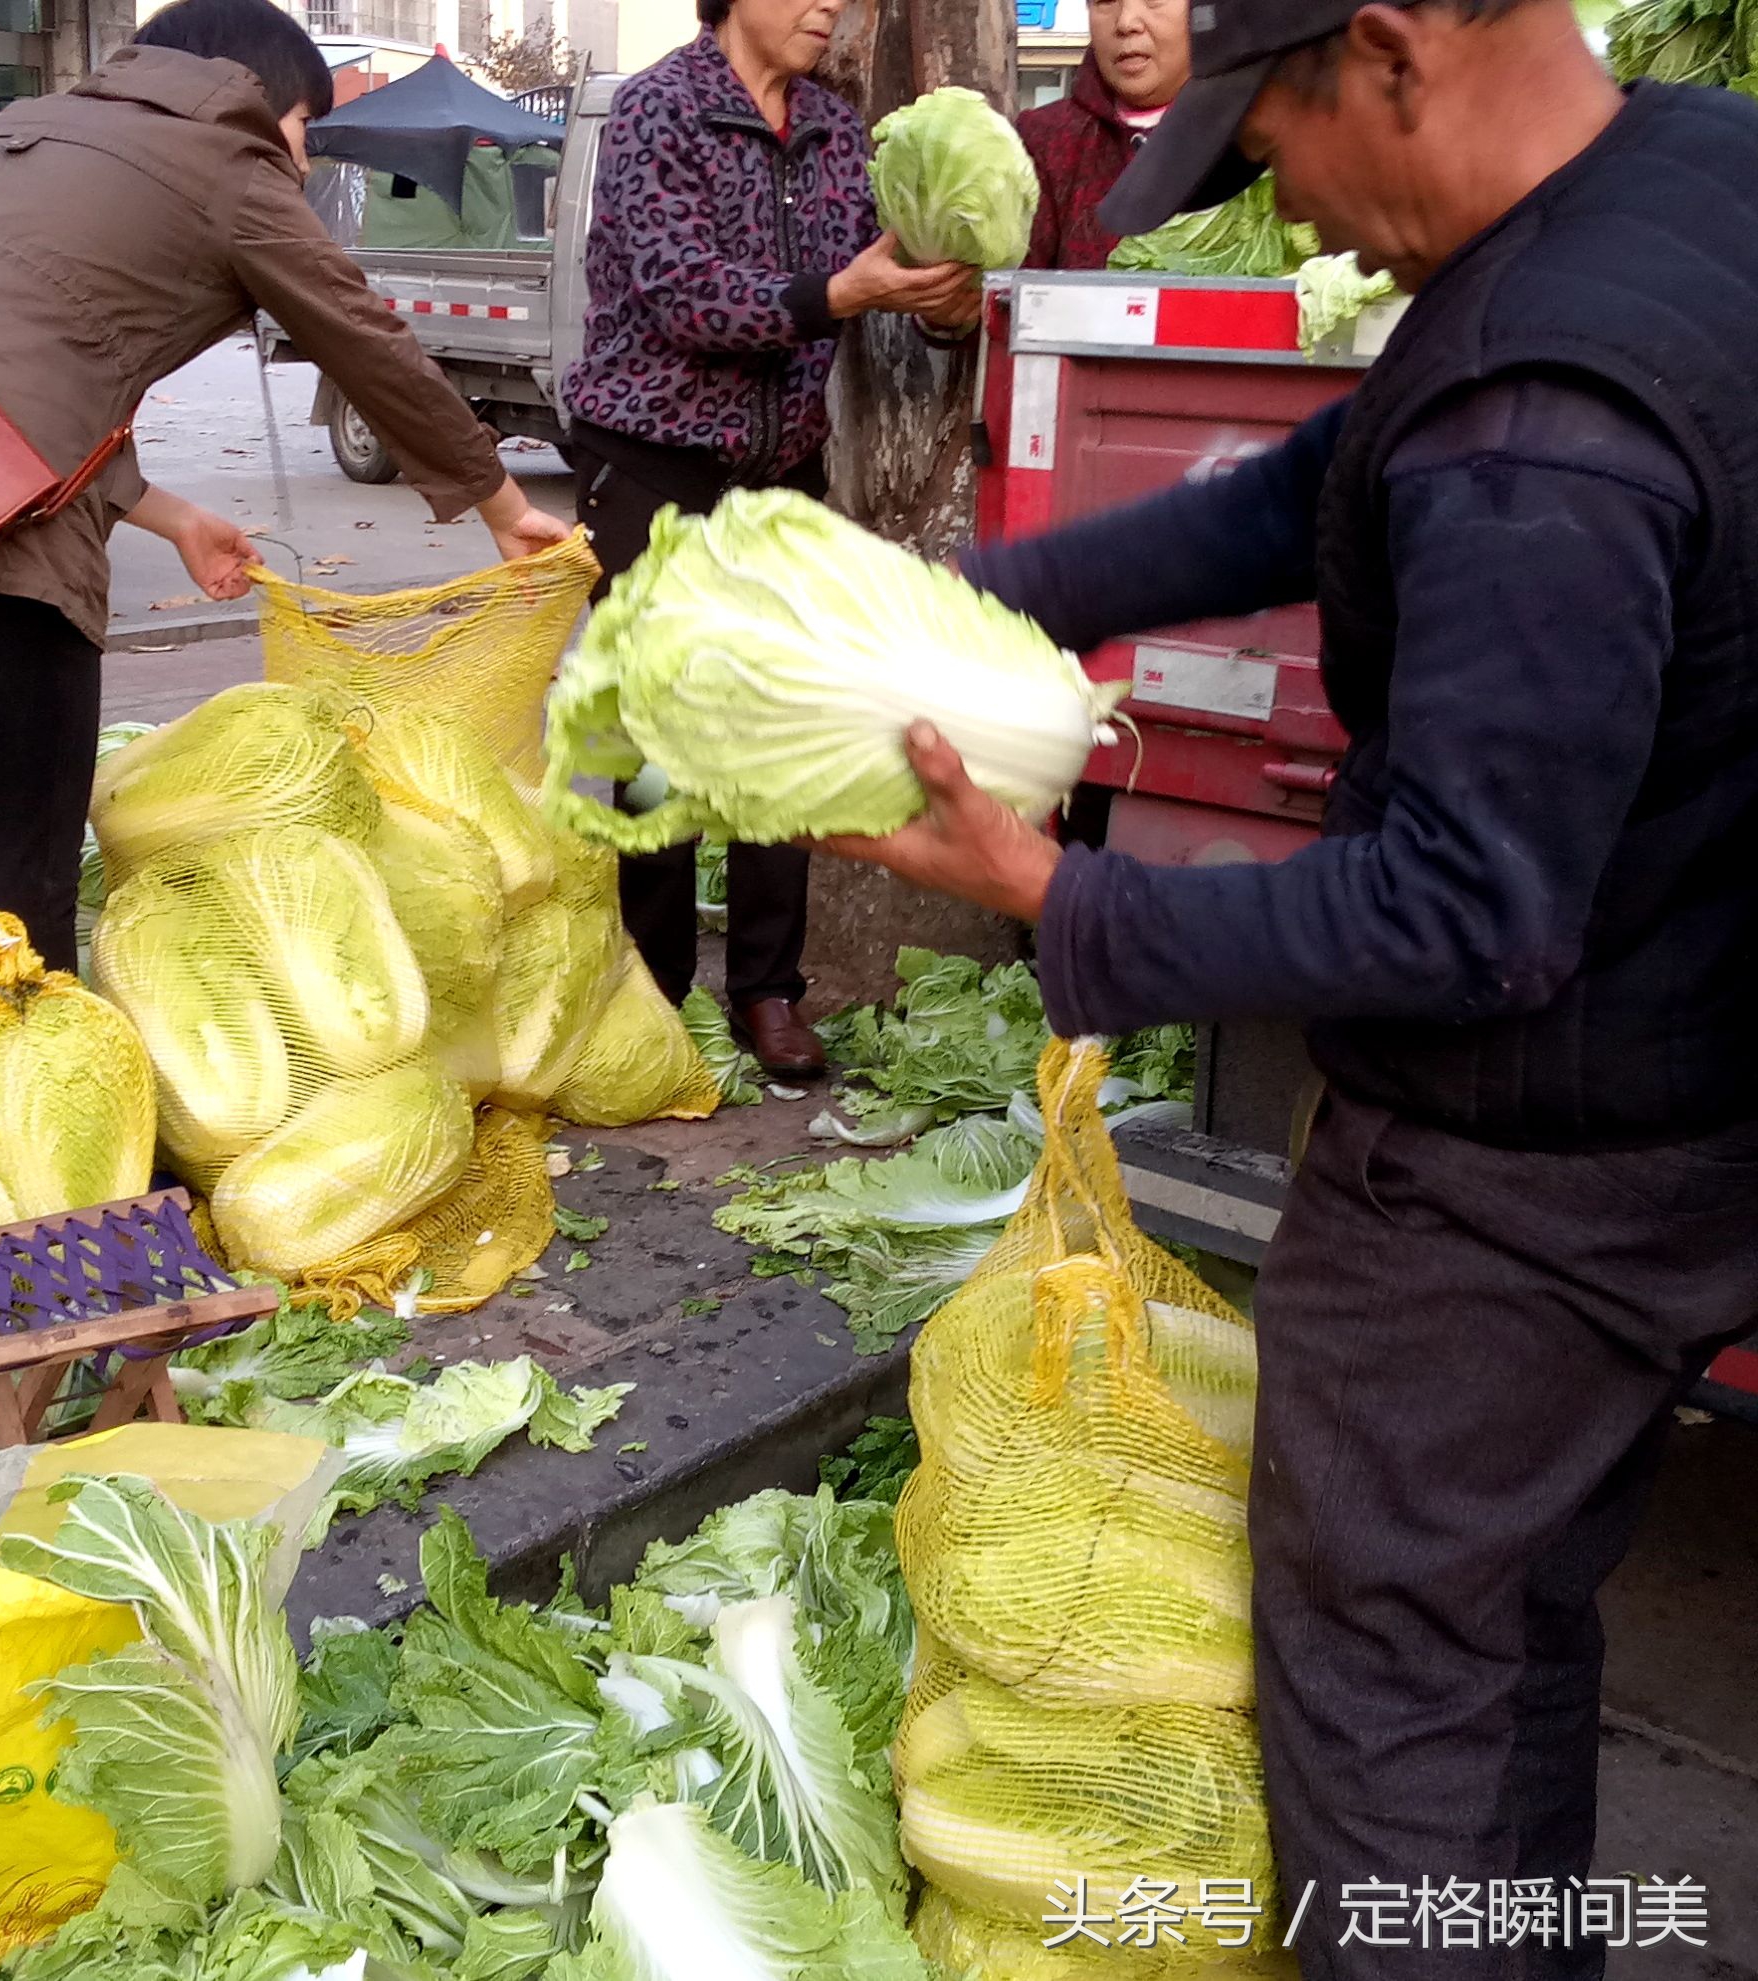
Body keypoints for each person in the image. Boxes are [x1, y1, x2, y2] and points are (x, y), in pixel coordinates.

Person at [822, 2, 1758, 1973]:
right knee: (1504, 1627)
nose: (1303, 226)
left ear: (1396, 53)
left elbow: (1465, 920)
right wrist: (974, 607)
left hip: (1523, 1193)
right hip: (1694, 1062)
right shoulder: (1679, 177)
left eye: (1278, 154)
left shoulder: (1544, 424)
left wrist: (1056, 902)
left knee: (1396, 1688)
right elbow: (1319, 485)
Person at [0, 0, 568, 990]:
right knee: (4, 893)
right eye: (305, 130)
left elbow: (9, 404)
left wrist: (175, 516)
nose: (304, 159)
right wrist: (501, 504)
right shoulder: (220, 157)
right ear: (260, 96)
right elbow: (360, 334)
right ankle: (16, 1128)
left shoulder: (15, 137)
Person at [562, 0, 978, 1079]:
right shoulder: (661, 110)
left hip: (777, 475)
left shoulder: (838, 131)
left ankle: (767, 990)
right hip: (650, 463)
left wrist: (936, 299)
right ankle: (652, 989)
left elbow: (874, 274)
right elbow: (686, 296)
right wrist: (844, 291)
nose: (826, 5)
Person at [1019, 0, 1191, 269]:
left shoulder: (1257, 131)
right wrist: (958, 302)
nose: (1126, 23)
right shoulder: (1041, 139)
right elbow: (1007, 294)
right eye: (1106, 1)